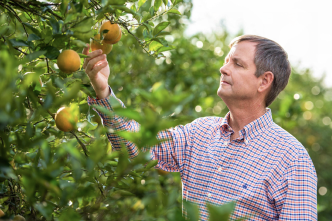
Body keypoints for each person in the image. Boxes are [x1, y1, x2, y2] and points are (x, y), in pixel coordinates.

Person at [82, 35, 317, 220]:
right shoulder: (200, 132)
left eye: (237, 64)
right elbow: (140, 147)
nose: (223, 70)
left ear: (264, 81)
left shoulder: (291, 159)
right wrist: (104, 92)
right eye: (226, 62)